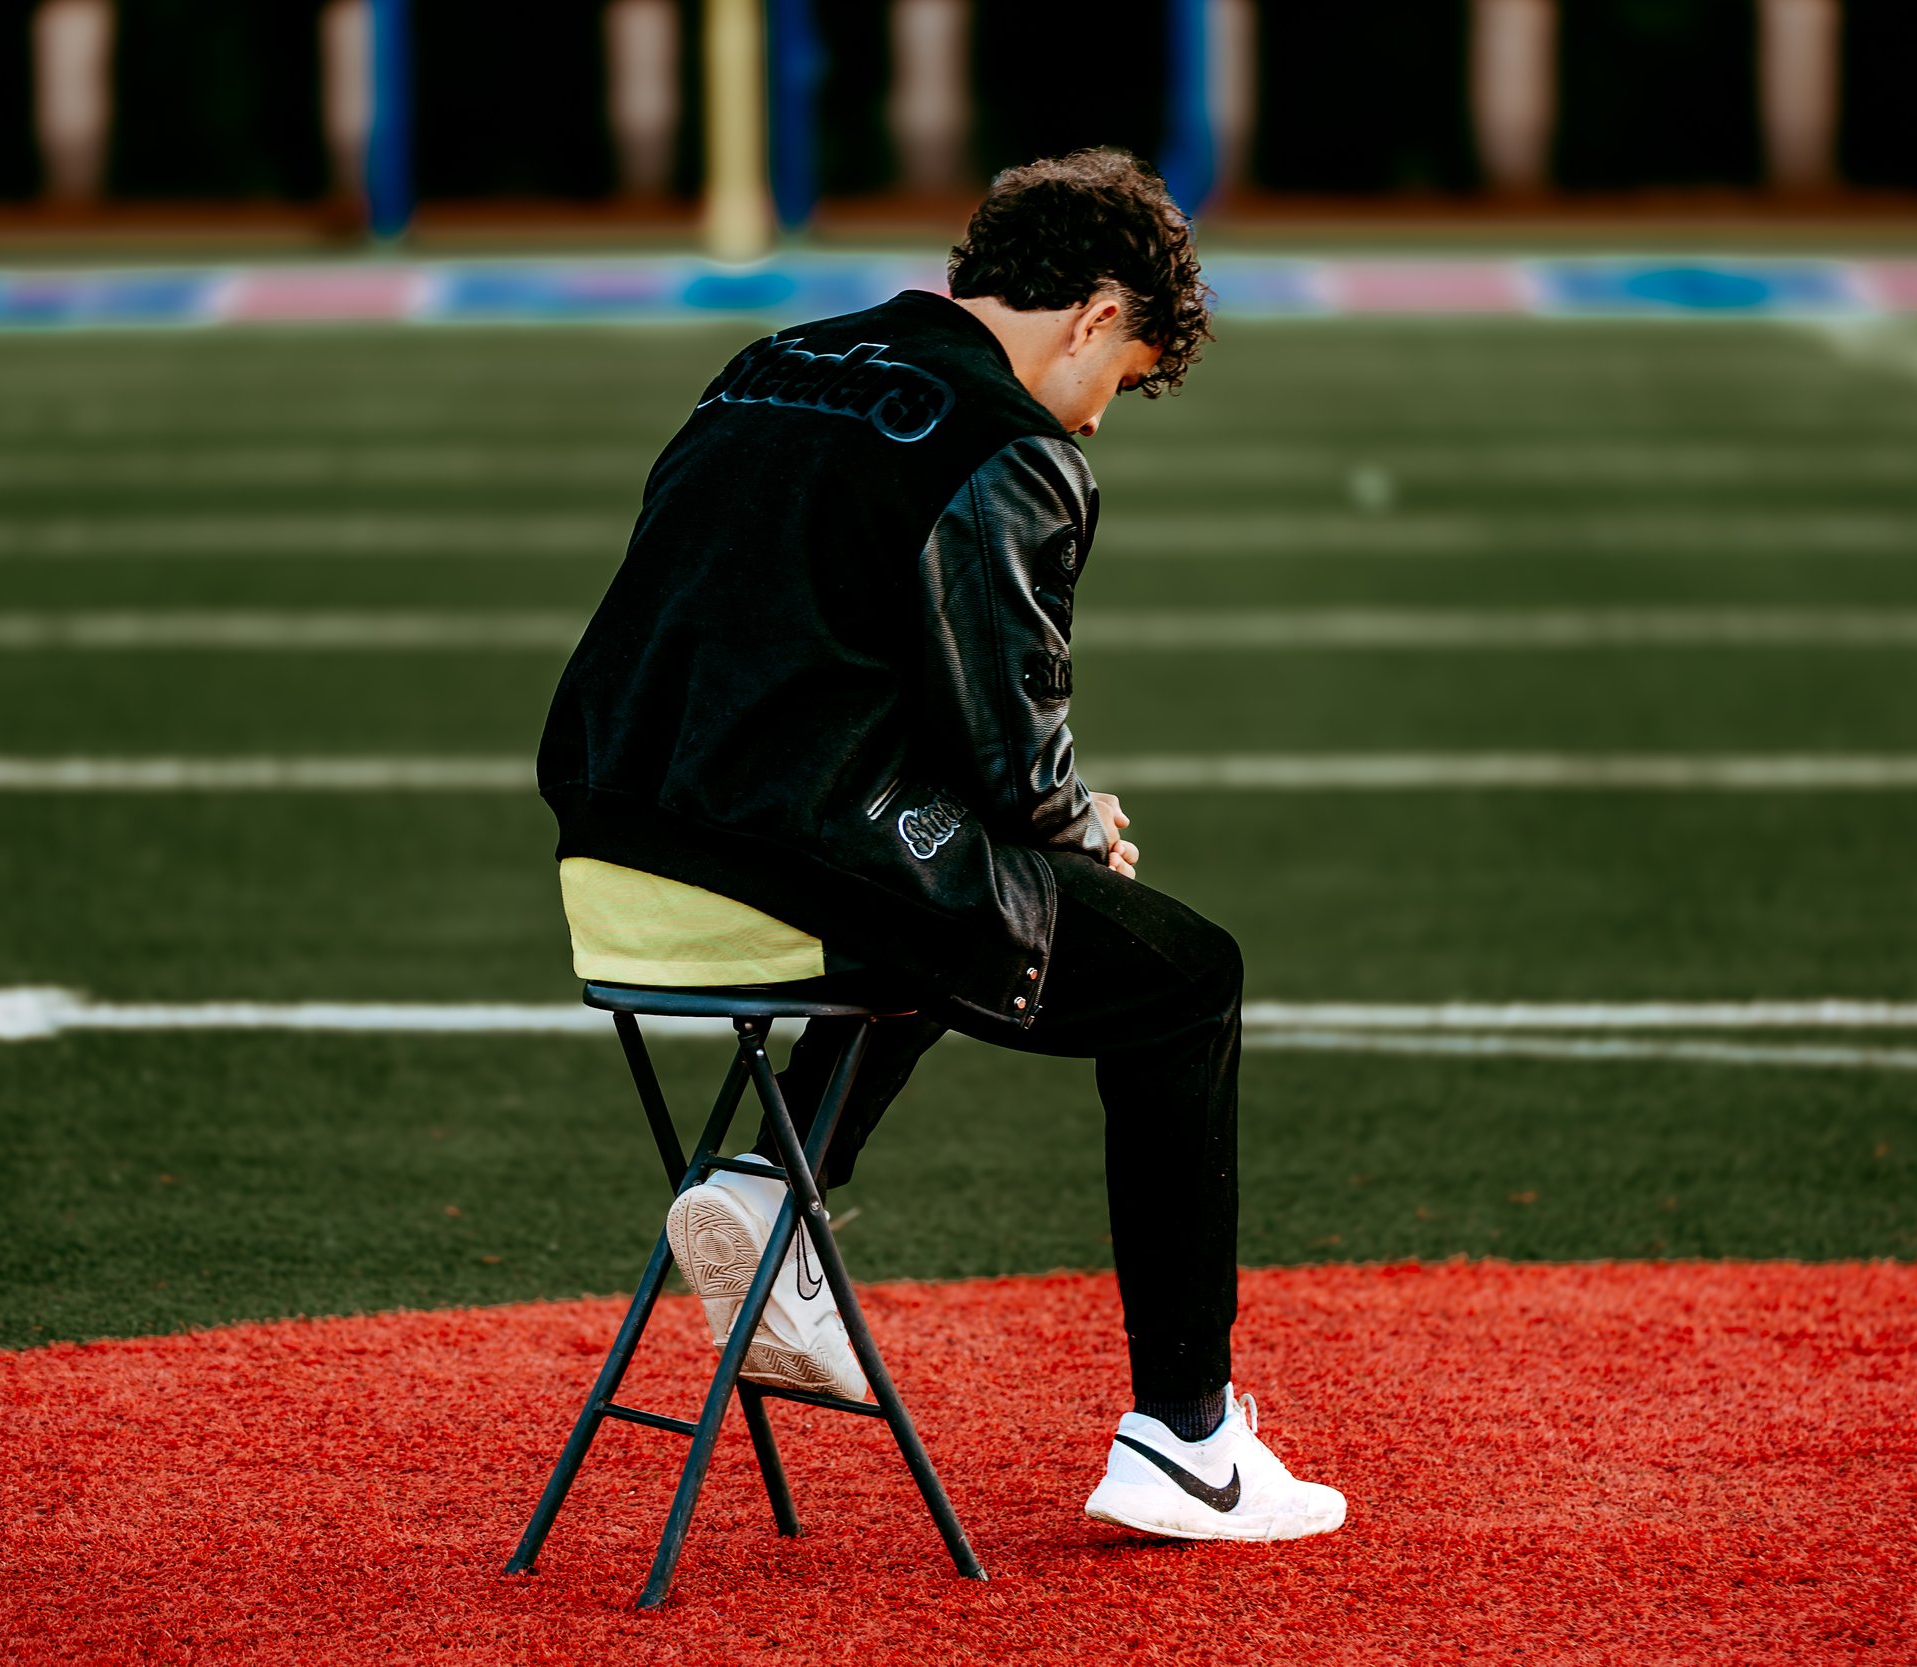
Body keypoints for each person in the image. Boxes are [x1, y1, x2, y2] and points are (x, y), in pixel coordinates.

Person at [536, 149, 1344, 1543]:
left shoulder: (768, 361)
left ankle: (769, 1190)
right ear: (1097, 313)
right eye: (1124, 376)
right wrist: (1083, 827)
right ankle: (1188, 1438)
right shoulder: (1008, 441)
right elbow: (1013, 759)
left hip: (609, 849)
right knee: (1182, 976)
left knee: (960, 873)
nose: (1104, 414)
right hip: (769, 873)